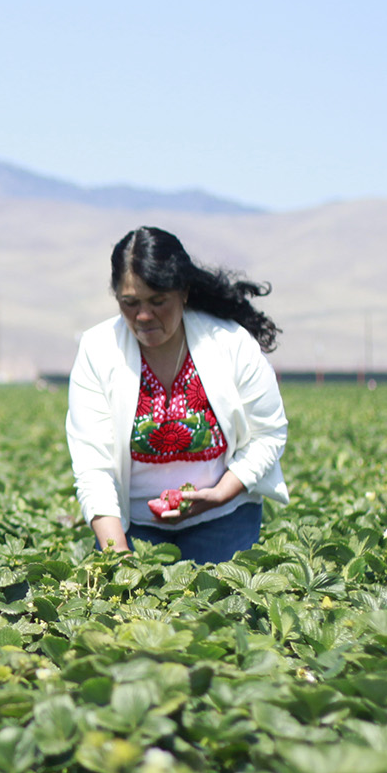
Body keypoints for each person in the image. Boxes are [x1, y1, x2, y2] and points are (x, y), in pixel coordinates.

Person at [65, 227, 288, 564]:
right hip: (133, 526)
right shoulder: (98, 351)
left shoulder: (230, 342)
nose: (143, 315)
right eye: (130, 303)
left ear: (183, 292)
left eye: (158, 301)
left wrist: (220, 493)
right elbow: (92, 466)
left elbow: (269, 433)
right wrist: (120, 560)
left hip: (224, 520)